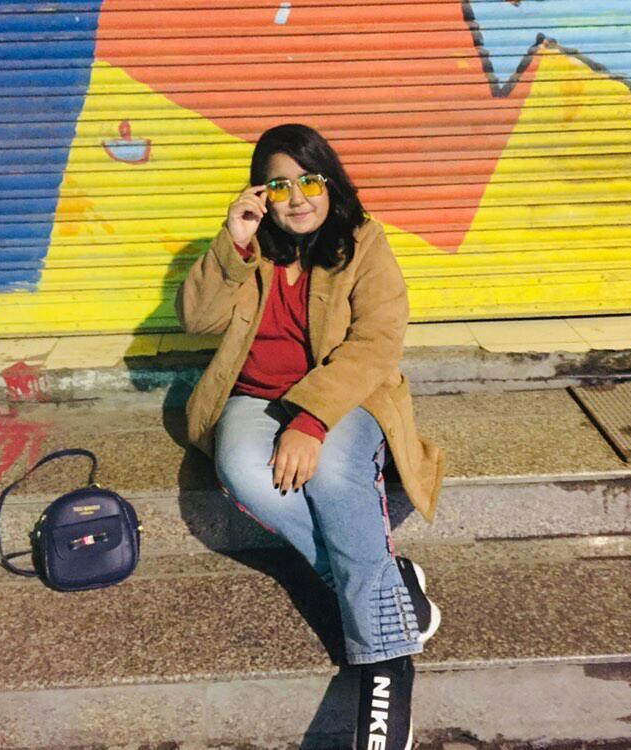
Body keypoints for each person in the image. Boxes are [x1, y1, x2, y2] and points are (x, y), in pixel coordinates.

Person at [175, 123, 444, 749]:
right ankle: (389, 583)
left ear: (331, 182)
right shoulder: (252, 249)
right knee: (244, 472)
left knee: (333, 473)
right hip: (254, 398)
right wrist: (233, 241)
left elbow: (377, 342)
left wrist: (311, 421)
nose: (297, 198)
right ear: (260, 193)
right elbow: (196, 320)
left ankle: (385, 665)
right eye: (279, 186)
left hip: (344, 396)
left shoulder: (364, 242)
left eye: (310, 181)